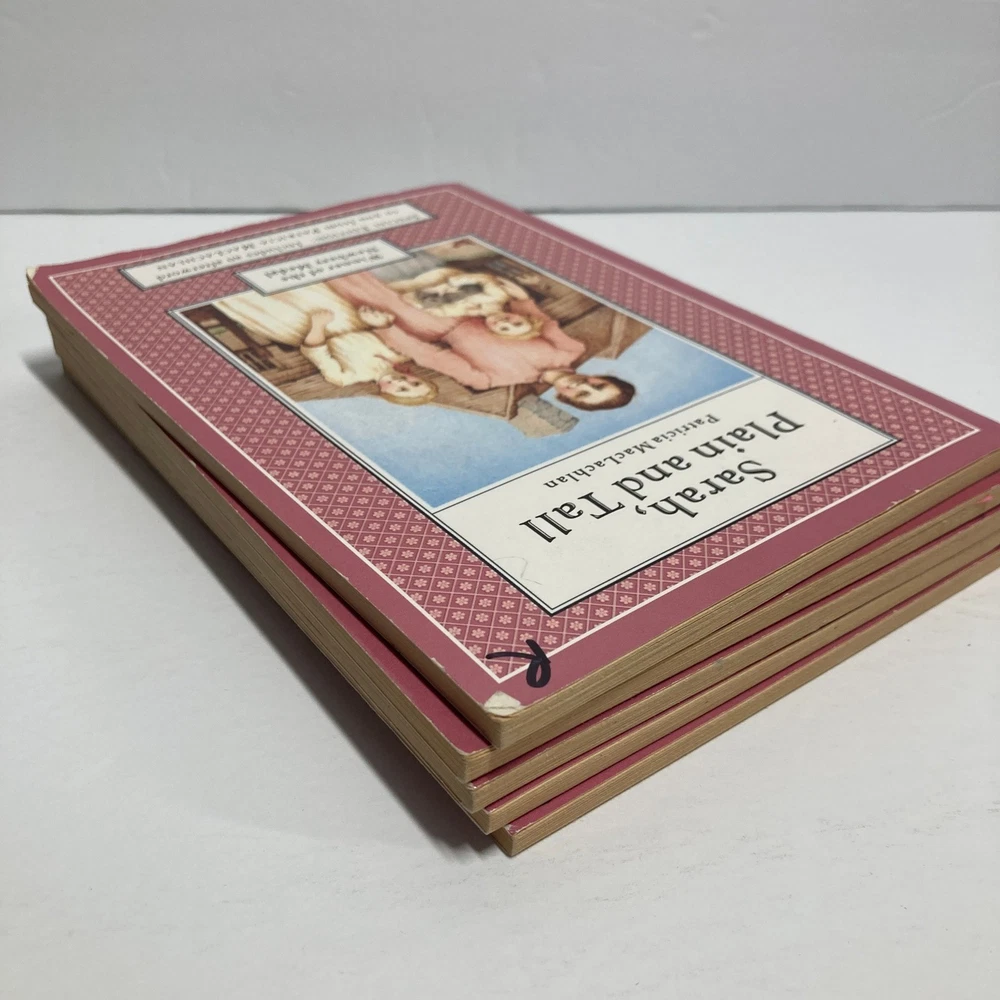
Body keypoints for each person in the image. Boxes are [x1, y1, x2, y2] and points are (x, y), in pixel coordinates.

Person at [360, 306, 636, 411]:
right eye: (598, 385)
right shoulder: (570, 349)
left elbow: (432, 357)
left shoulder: (492, 381)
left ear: (567, 399)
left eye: (584, 395)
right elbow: (530, 313)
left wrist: (386, 328)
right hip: (473, 301)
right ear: (600, 377)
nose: (583, 386)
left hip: (424, 323)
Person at [299, 309, 437, 405]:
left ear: (386, 393)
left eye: (402, 389)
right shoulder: (401, 355)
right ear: (417, 377)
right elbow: (390, 326)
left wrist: (318, 325)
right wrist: (382, 322)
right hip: (351, 314)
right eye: (415, 383)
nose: (402, 382)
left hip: (318, 326)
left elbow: (315, 351)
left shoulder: (346, 378)